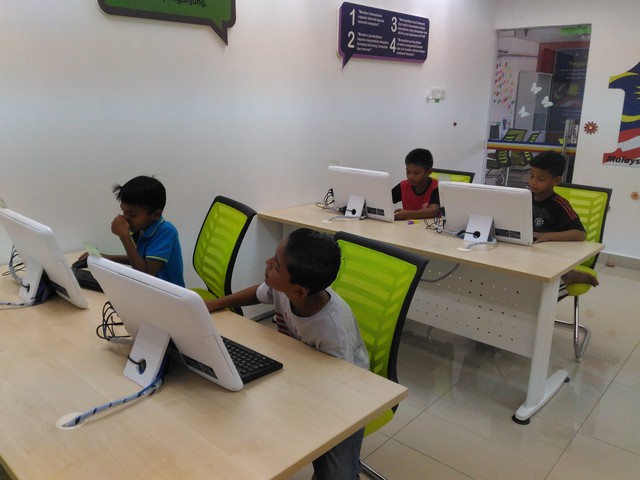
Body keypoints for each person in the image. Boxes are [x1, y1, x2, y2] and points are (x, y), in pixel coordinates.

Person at [205, 228, 369, 480]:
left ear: (299, 292)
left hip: (346, 394)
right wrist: (215, 305)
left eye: (276, 265)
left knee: (336, 474)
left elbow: (339, 389)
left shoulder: (333, 331)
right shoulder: (284, 290)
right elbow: (259, 293)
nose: (267, 263)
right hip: (298, 373)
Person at [79, 175, 185, 287]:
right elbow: (142, 261)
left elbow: (145, 274)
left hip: (168, 294)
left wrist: (125, 236)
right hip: (149, 290)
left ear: (156, 215)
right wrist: (108, 257)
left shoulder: (166, 232)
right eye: (123, 211)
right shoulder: (142, 228)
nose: (125, 217)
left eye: (132, 214)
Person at [529, 151, 598, 287]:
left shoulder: (560, 204)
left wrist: (547, 236)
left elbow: (580, 234)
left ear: (556, 181)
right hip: (528, 248)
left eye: (540, 179)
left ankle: (567, 274)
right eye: (531, 176)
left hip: (549, 253)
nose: (533, 182)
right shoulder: (524, 197)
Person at [392, 148, 440, 220]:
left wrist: (407, 214)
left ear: (429, 172)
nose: (411, 176)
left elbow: (434, 211)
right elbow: (384, 199)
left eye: (416, 173)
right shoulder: (403, 186)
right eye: (408, 172)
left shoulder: (436, 187)